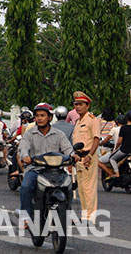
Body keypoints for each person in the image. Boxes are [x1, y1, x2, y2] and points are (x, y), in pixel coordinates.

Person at [17, 103, 76, 224]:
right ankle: (25, 217)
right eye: (37, 116)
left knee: (69, 185)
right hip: (35, 169)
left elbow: (68, 149)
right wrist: (25, 156)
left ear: (50, 117)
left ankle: (67, 212)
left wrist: (73, 155)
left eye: (42, 115)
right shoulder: (29, 133)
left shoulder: (59, 134)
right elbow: (23, 147)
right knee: (25, 187)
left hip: (56, 170)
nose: (39, 118)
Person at [71, 91, 100, 222]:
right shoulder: (78, 121)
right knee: (81, 188)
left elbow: (96, 139)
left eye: (80, 104)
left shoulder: (92, 120)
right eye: (76, 104)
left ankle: (91, 216)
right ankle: (84, 215)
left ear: (87, 106)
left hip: (89, 156)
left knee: (89, 188)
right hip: (79, 157)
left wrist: (90, 154)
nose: (77, 107)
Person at [99, 113, 131, 178]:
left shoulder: (122, 128)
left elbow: (119, 141)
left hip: (124, 150)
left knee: (112, 158)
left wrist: (115, 148)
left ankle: (116, 173)